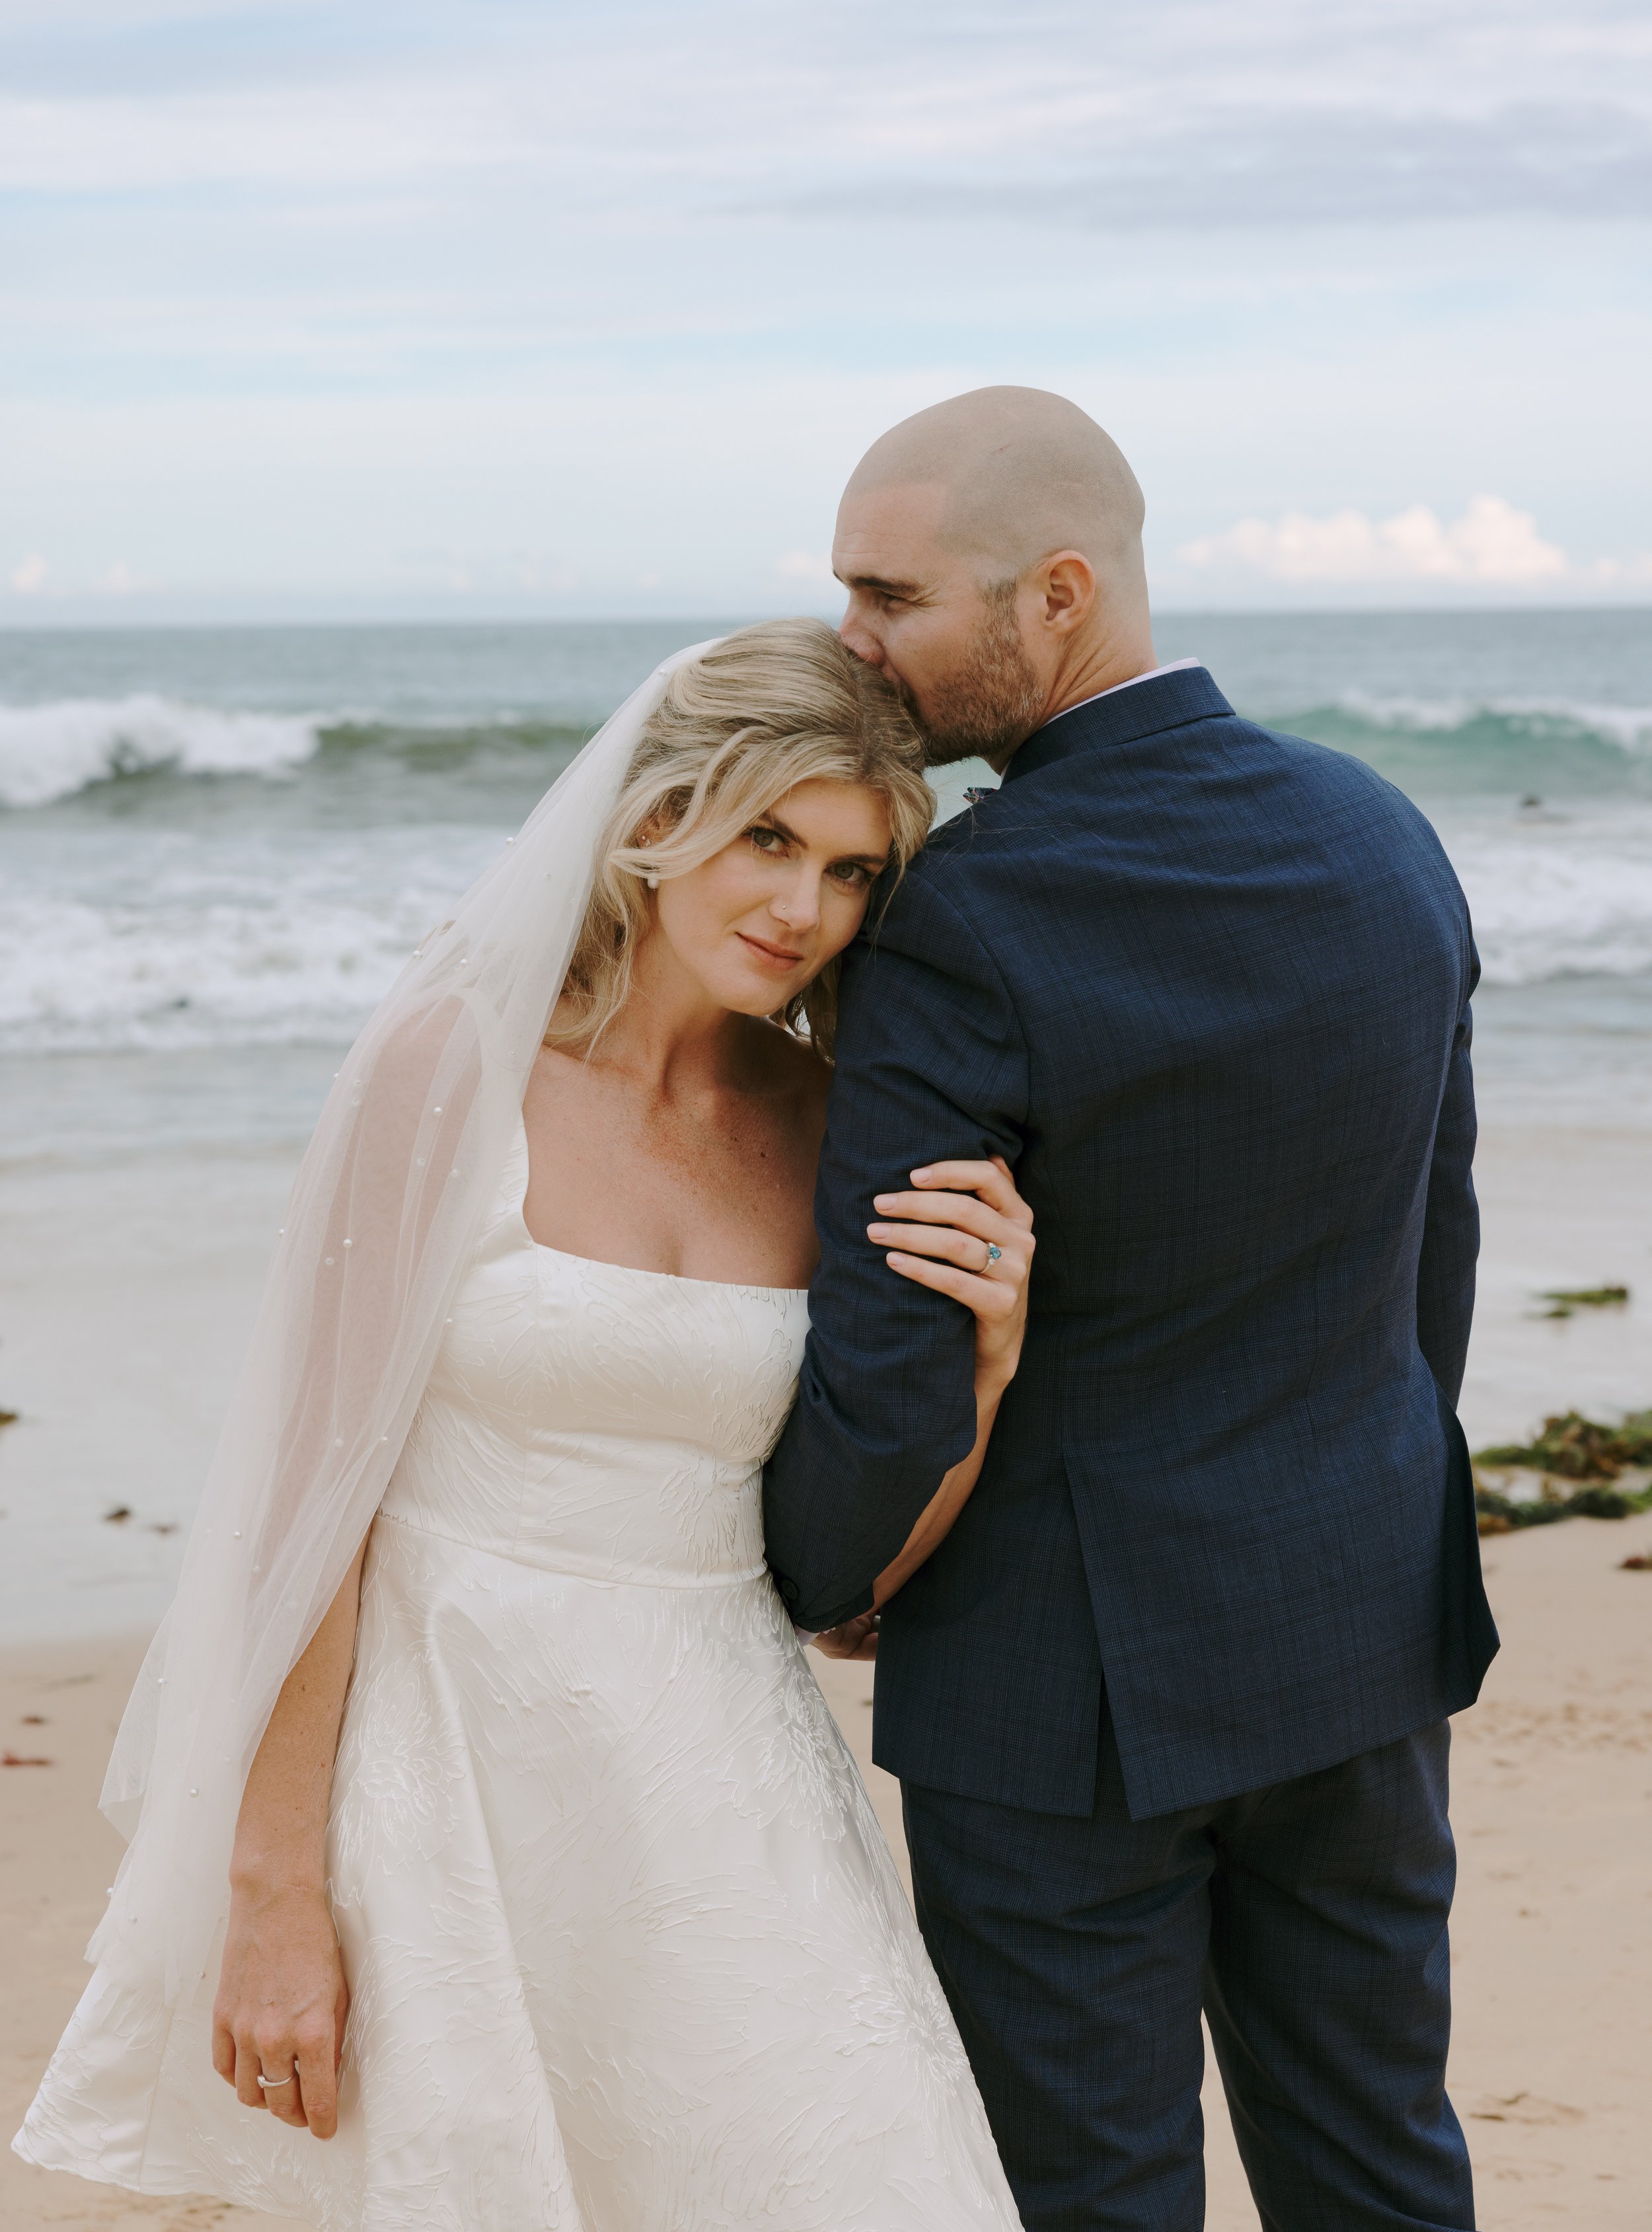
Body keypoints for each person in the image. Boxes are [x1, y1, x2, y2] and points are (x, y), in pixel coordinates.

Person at [15, 622, 1034, 2231]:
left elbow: (846, 1585)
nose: (799, 907)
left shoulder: (830, 1121)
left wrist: (978, 1368)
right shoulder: (453, 1068)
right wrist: (274, 1889)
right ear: (653, 818)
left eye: (848, 871)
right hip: (448, 1762)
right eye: (767, 837)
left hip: (720, 1769)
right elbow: (309, 1500)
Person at [765, 387, 1500, 2232]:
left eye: (890, 596)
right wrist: (1362, 1487)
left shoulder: (962, 913)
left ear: (1059, 593)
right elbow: (1435, 1244)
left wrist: (827, 1569)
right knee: (1381, 2161)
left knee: (1088, 2197)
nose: (851, 641)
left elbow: (906, 1327)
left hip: (1051, 1688)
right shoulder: (1380, 834)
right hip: (1354, 1634)